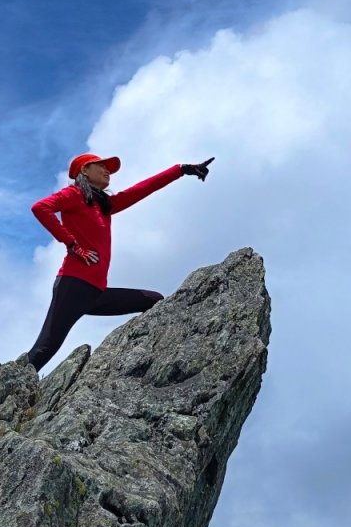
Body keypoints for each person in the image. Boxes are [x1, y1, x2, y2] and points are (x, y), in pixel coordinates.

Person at [26, 152, 214, 371]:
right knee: (45, 348)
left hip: (97, 293)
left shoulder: (105, 205)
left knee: (153, 300)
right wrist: (72, 244)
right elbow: (40, 207)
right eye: (101, 166)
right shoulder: (73, 194)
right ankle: (12, 385)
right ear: (84, 171)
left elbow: (143, 188)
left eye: (109, 168)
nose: (107, 171)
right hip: (73, 286)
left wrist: (181, 170)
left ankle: (150, 359)